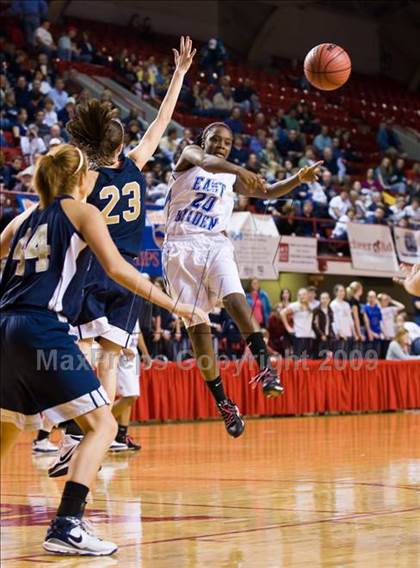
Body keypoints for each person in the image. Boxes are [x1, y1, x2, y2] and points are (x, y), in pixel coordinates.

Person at [0, 144, 201, 555]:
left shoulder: (21, 219)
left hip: (4, 325)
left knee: (4, 431)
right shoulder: (82, 212)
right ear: (80, 178)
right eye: (91, 173)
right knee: (103, 427)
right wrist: (176, 304)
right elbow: (119, 269)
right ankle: (67, 524)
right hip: (41, 326)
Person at [48, 36, 196, 477]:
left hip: (94, 266)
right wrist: (180, 75)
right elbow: (163, 121)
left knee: (76, 351)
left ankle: (78, 433)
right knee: (110, 359)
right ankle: (102, 431)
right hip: (130, 272)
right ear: (120, 145)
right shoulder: (136, 163)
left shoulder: (86, 179)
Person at [163, 121, 322, 436]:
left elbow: (269, 191)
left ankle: (266, 367)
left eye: (227, 142)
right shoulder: (190, 155)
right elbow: (209, 162)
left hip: (215, 243)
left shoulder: (229, 175)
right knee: (199, 330)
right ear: (203, 139)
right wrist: (241, 170)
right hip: (180, 248)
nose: (221, 145)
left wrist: (298, 179)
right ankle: (224, 404)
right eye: (216, 139)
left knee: (236, 298)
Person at [281, 288, 315, 358]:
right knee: (298, 360)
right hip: (299, 336)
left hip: (309, 336)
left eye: (304, 294)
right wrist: (288, 327)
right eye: (300, 295)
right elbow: (282, 313)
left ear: (307, 295)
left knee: (307, 360)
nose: (302, 296)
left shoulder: (311, 305)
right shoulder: (295, 305)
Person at [330, 284, 355, 356]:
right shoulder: (333, 304)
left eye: (343, 291)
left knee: (348, 356)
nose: (342, 293)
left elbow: (350, 319)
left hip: (348, 333)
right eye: (340, 291)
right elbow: (334, 320)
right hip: (340, 335)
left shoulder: (346, 304)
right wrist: (339, 332)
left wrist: (354, 332)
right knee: (339, 357)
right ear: (336, 293)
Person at [378, 293, 405, 357]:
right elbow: (380, 323)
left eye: (387, 300)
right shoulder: (378, 310)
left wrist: (391, 300)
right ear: (380, 301)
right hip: (384, 336)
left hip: (392, 335)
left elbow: (402, 306)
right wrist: (384, 333)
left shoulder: (391, 309)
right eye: (384, 300)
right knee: (383, 355)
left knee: (391, 355)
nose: (386, 301)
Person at [312, 292, 334, 358]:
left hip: (328, 337)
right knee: (319, 357)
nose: (324, 300)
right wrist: (321, 334)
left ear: (329, 300)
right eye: (323, 298)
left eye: (326, 298)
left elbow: (331, 324)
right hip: (319, 338)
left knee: (328, 357)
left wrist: (331, 334)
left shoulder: (330, 311)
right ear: (320, 300)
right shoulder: (316, 310)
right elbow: (314, 324)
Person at [363, 290, 383, 358]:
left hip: (378, 334)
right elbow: (365, 322)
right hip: (369, 335)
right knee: (369, 355)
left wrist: (381, 332)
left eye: (374, 297)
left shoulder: (378, 308)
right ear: (367, 298)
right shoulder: (365, 307)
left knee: (377, 355)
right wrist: (371, 333)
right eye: (370, 297)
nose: (372, 299)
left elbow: (381, 321)